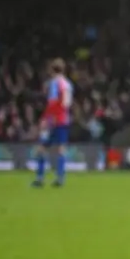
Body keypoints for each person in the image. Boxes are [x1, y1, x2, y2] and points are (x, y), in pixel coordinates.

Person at [32, 59, 73, 188]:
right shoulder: (68, 84)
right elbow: (67, 104)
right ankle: (60, 178)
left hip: (52, 120)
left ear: (51, 70)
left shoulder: (54, 84)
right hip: (64, 119)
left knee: (42, 148)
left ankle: (39, 178)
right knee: (61, 149)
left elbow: (53, 102)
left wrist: (45, 118)